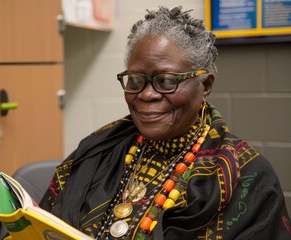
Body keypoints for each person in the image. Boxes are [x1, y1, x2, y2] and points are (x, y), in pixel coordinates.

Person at [40, 6, 291, 240]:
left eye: (167, 81)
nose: (147, 94)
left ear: (205, 85)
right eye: (136, 80)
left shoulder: (248, 176)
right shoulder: (98, 150)